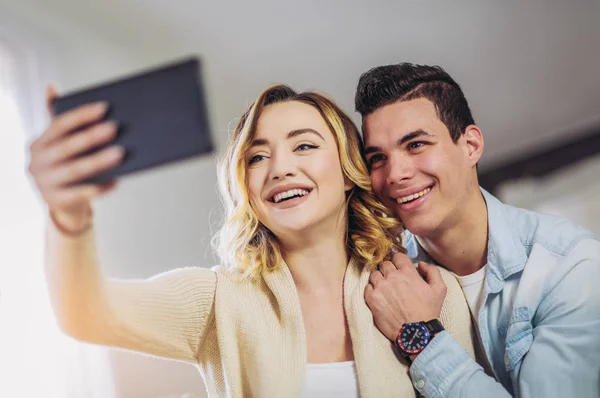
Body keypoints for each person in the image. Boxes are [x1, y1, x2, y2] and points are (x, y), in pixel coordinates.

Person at [28, 83, 476, 397]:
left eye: (303, 146)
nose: (279, 167)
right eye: (257, 155)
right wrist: (68, 215)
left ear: (347, 172)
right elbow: (85, 312)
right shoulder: (216, 300)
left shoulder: (429, 292)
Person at [356, 62, 600, 397]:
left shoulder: (572, 268)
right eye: (377, 159)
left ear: (470, 146)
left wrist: (420, 337)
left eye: (416, 145)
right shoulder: (383, 279)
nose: (395, 174)